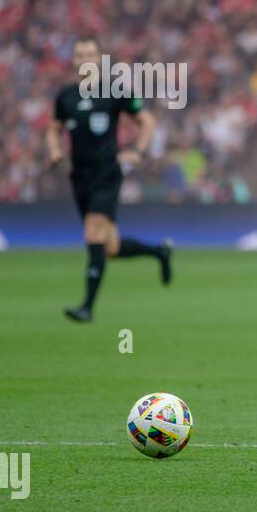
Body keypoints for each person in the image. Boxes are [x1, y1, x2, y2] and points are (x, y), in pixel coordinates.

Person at [46, 35, 172, 323]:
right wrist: (54, 150)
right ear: (74, 61)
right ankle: (160, 252)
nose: (84, 60)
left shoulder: (115, 91)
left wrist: (137, 152)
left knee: (93, 233)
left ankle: (87, 307)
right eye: (79, 55)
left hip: (106, 174)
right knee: (110, 248)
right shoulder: (66, 96)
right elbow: (53, 128)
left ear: (100, 60)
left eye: (90, 55)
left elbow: (147, 122)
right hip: (79, 176)